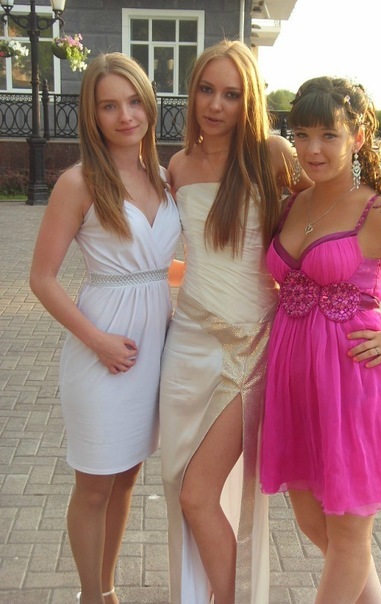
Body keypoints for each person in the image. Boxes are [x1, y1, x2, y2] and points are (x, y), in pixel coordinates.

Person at [159, 40, 381, 604]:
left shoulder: (272, 156)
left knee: (340, 535)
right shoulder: (182, 168)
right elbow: (218, 248)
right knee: (316, 526)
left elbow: (344, 202)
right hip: (258, 357)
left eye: (232, 94)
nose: (216, 104)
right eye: (206, 90)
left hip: (295, 358)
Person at [260, 76, 381, 603]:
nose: (313, 149)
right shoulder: (293, 200)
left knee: (348, 539)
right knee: (312, 523)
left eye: (329, 135)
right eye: (303, 134)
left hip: (354, 385)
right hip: (295, 385)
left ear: (358, 137)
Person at [29, 53, 182, 604]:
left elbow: (160, 264)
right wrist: (97, 342)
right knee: (94, 483)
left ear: (150, 104)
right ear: (91, 115)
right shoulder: (78, 182)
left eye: (135, 101)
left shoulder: (165, 177)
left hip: (153, 347)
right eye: (109, 106)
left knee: (127, 477)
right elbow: (41, 278)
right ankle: (89, 597)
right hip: (102, 351)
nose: (125, 116)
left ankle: (108, 588)